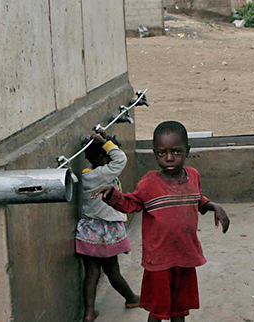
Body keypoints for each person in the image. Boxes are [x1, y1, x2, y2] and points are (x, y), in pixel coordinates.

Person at [93, 121, 230, 322]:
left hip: (185, 255)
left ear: (187, 151)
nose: (169, 158)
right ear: (154, 153)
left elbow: (195, 198)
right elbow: (131, 204)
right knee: (157, 311)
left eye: (176, 152)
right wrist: (113, 194)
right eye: (161, 153)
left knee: (179, 310)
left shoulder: (193, 176)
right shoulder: (149, 182)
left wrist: (213, 206)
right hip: (159, 261)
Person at [76, 129, 140, 322]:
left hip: (88, 230)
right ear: (104, 158)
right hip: (106, 231)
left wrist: (103, 139)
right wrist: (105, 141)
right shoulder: (105, 173)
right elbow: (120, 159)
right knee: (112, 271)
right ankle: (130, 298)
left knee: (92, 273)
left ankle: (89, 312)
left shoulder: (86, 175)